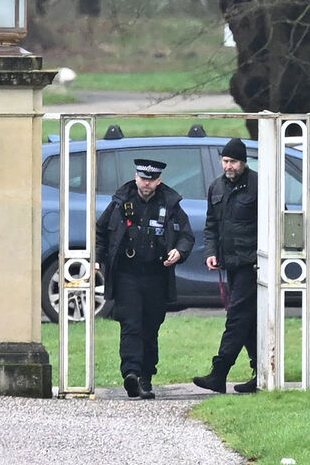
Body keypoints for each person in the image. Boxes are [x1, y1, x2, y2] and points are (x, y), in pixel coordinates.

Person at [96, 158, 194, 399]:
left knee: (150, 327)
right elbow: (100, 231)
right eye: (142, 178)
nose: (146, 183)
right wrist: (98, 259)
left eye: (151, 179)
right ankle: (131, 372)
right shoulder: (121, 203)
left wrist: (179, 252)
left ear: (158, 180)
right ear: (136, 177)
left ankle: (145, 376)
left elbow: (186, 236)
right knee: (131, 324)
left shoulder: (169, 204)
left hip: (156, 275)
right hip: (127, 274)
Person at [192, 137, 259, 394]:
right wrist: (211, 252)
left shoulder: (258, 185)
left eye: (233, 162)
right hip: (230, 263)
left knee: (237, 318)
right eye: (225, 161)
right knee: (247, 320)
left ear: (243, 162)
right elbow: (212, 224)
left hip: (251, 265)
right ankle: (259, 369)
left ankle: (219, 372)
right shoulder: (216, 187)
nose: (228, 166)